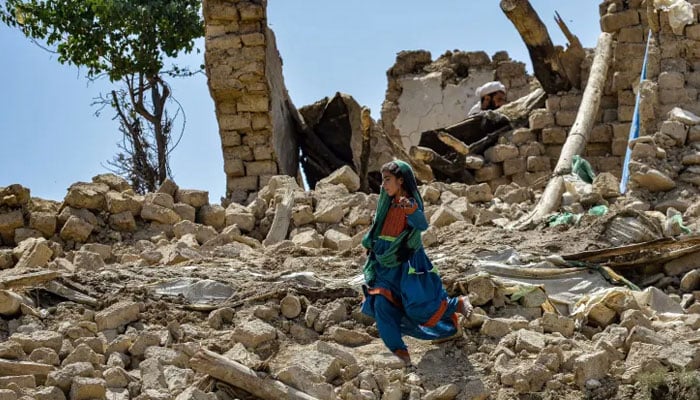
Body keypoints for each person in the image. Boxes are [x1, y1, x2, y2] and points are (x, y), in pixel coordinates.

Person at [360, 160, 473, 366]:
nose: (383, 185)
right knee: (381, 306)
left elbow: (421, 224)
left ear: (401, 180)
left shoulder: (410, 204)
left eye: (387, 180)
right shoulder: (386, 203)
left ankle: (457, 305)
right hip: (384, 265)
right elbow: (379, 228)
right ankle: (400, 353)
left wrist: (411, 210)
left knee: (417, 307)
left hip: (407, 264)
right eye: (383, 180)